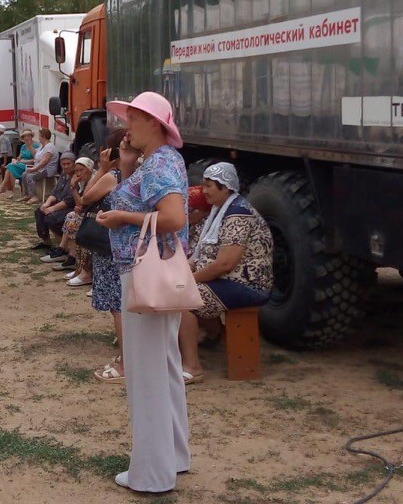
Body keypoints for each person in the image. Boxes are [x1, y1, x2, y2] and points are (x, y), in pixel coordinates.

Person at [94, 91, 190, 493]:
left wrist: (121, 217)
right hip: (159, 272)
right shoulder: (166, 160)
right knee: (164, 366)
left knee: (146, 373)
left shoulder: (158, 165)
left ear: (153, 122)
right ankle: (173, 456)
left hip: (142, 273)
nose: (126, 126)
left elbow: (173, 217)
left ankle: (151, 474)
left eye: (132, 118)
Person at [179, 162, 273, 384]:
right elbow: (202, 254)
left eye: (209, 185)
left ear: (226, 187)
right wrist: (183, 272)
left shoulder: (238, 213)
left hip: (246, 284)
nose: (204, 190)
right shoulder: (220, 211)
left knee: (181, 300)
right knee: (179, 287)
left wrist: (188, 281)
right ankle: (214, 336)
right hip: (227, 281)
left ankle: (193, 367)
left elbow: (224, 264)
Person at [82, 127, 133, 384]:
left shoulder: (114, 176)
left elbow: (86, 198)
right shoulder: (142, 175)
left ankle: (126, 360)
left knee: (119, 306)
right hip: (133, 246)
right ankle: (132, 355)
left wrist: (101, 168)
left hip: (112, 246)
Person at [41, 157, 95, 277]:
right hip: (86, 211)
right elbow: (79, 203)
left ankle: (69, 256)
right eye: (77, 171)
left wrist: (73, 188)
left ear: (90, 169)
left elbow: (80, 202)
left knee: (72, 217)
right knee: (71, 216)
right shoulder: (79, 181)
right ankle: (66, 253)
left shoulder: (93, 180)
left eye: (82, 170)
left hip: (95, 213)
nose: (79, 173)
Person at [31, 152, 77, 250]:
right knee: (39, 211)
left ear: (74, 163)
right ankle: (46, 241)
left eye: (68, 163)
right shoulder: (64, 175)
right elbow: (55, 192)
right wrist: (47, 204)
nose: (66, 166)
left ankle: (63, 246)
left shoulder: (76, 177)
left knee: (52, 217)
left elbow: (70, 200)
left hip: (70, 207)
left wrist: (52, 208)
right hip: (60, 203)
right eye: (63, 164)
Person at [0, 130, 38, 197]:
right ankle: (14, 191)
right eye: (25, 136)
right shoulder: (23, 146)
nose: (27, 137)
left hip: (29, 164)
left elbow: (35, 159)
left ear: (31, 136)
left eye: (28, 135)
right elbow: (19, 157)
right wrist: (16, 160)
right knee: (11, 170)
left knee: (10, 166)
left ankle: (3, 185)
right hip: (21, 163)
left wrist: (30, 147)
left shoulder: (35, 145)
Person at [20, 127, 59, 203]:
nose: (38, 138)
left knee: (30, 176)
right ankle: (27, 195)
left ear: (43, 136)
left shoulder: (49, 147)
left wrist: (34, 169)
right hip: (40, 169)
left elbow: (44, 161)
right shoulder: (42, 147)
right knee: (24, 174)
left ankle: (34, 196)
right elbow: (35, 154)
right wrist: (29, 145)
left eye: (39, 136)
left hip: (47, 170)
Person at [187, 185, 213, 256]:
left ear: (204, 210)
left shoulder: (204, 227)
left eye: (190, 210)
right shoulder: (192, 223)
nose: (186, 214)